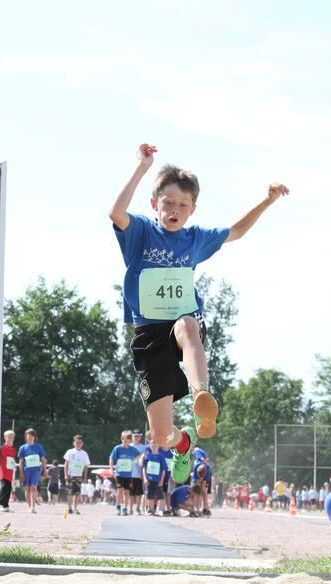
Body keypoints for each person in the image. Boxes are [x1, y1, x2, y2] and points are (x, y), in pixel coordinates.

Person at [109, 143, 289, 488]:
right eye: (169, 203)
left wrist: (266, 201)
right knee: (160, 436)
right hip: (149, 333)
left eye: (183, 205)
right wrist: (143, 168)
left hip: (182, 323)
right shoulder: (141, 233)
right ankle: (184, 443)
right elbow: (116, 212)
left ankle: (200, 395)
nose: (175, 210)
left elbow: (235, 231)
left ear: (192, 210)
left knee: (188, 325)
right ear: (154, 204)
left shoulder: (195, 239)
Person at [109, 429, 140, 515]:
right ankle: (118, 507)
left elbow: (139, 454)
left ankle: (125, 508)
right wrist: (112, 470)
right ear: (121, 439)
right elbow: (111, 459)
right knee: (120, 490)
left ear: (130, 441)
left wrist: (135, 460)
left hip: (128, 474)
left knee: (127, 492)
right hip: (119, 473)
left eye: (127, 441)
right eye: (124, 440)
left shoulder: (132, 449)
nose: (125, 443)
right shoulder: (117, 448)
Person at [17, 428, 47, 513]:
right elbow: (21, 462)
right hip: (26, 471)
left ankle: (33, 507)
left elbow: (43, 459)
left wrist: (45, 470)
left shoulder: (39, 447)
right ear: (26, 437)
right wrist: (21, 472)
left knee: (33, 487)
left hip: (36, 470)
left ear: (34, 437)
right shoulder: (23, 448)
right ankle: (29, 507)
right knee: (27, 489)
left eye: (31, 435)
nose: (30, 437)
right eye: (28, 435)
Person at [63, 434, 90, 515]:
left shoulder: (84, 454)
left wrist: (85, 477)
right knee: (69, 492)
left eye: (80, 442)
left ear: (82, 443)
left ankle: (75, 508)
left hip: (78, 476)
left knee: (77, 493)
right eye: (77, 442)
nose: (78, 444)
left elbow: (85, 466)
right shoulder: (70, 452)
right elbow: (66, 464)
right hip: (70, 475)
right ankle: (69, 508)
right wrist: (66, 474)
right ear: (73, 443)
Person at [140, 441, 169, 515]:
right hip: (149, 480)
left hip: (158, 480)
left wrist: (161, 480)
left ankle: (160, 510)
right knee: (150, 496)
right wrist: (145, 479)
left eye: (156, 446)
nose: (154, 447)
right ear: (150, 446)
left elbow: (163, 470)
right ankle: (151, 510)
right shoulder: (147, 456)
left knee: (160, 496)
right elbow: (144, 468)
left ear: (158, 447)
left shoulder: (161, 457)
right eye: (153, 446)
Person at [0, 430, 17, 512]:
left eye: (12, 437)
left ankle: (6, 505)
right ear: (5, 437)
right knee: (4, 487)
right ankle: (0, 504)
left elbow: (12, 460)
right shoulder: (2, 448)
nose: (10, 438)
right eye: (9, 437)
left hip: (10, 472)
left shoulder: (13, 449)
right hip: (3, 471)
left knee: (9, 488)